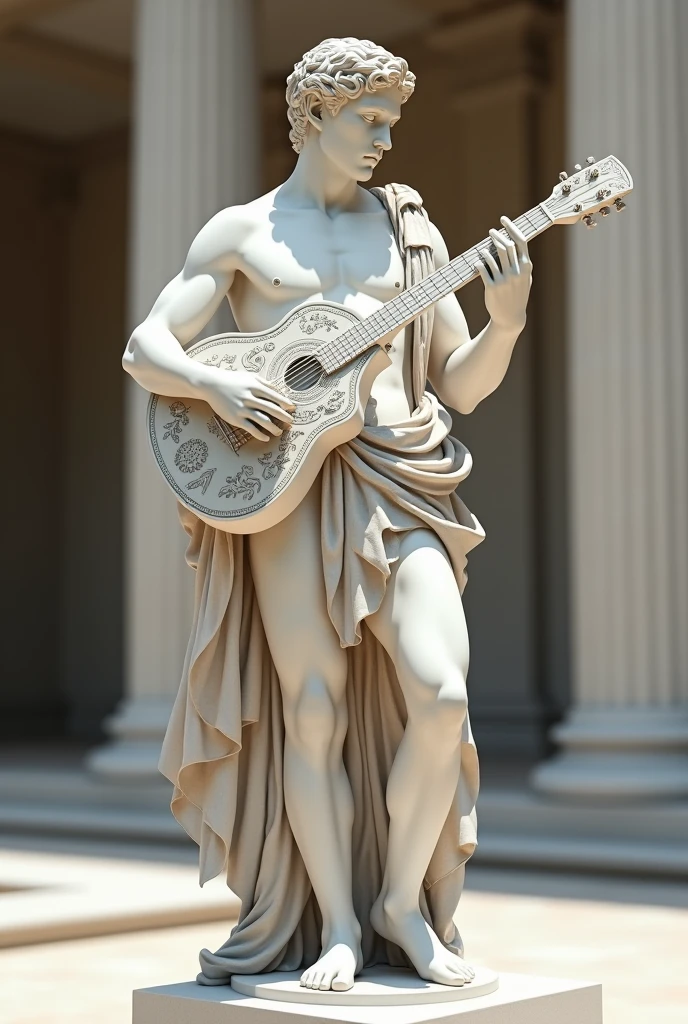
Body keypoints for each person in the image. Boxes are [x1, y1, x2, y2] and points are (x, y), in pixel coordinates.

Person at [123, 37, 532, 994]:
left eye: (393, 121)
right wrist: (215, 389)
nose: (386, 141)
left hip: (401, 475)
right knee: (309, 711)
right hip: (287, 487)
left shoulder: (410, 236)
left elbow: (462, 386)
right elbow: (148, 346)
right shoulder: (242, 232)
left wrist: (506, 319)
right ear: (315, 115)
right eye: (370, 120)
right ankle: (339, 924)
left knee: (439, 693)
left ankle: (400, 903)